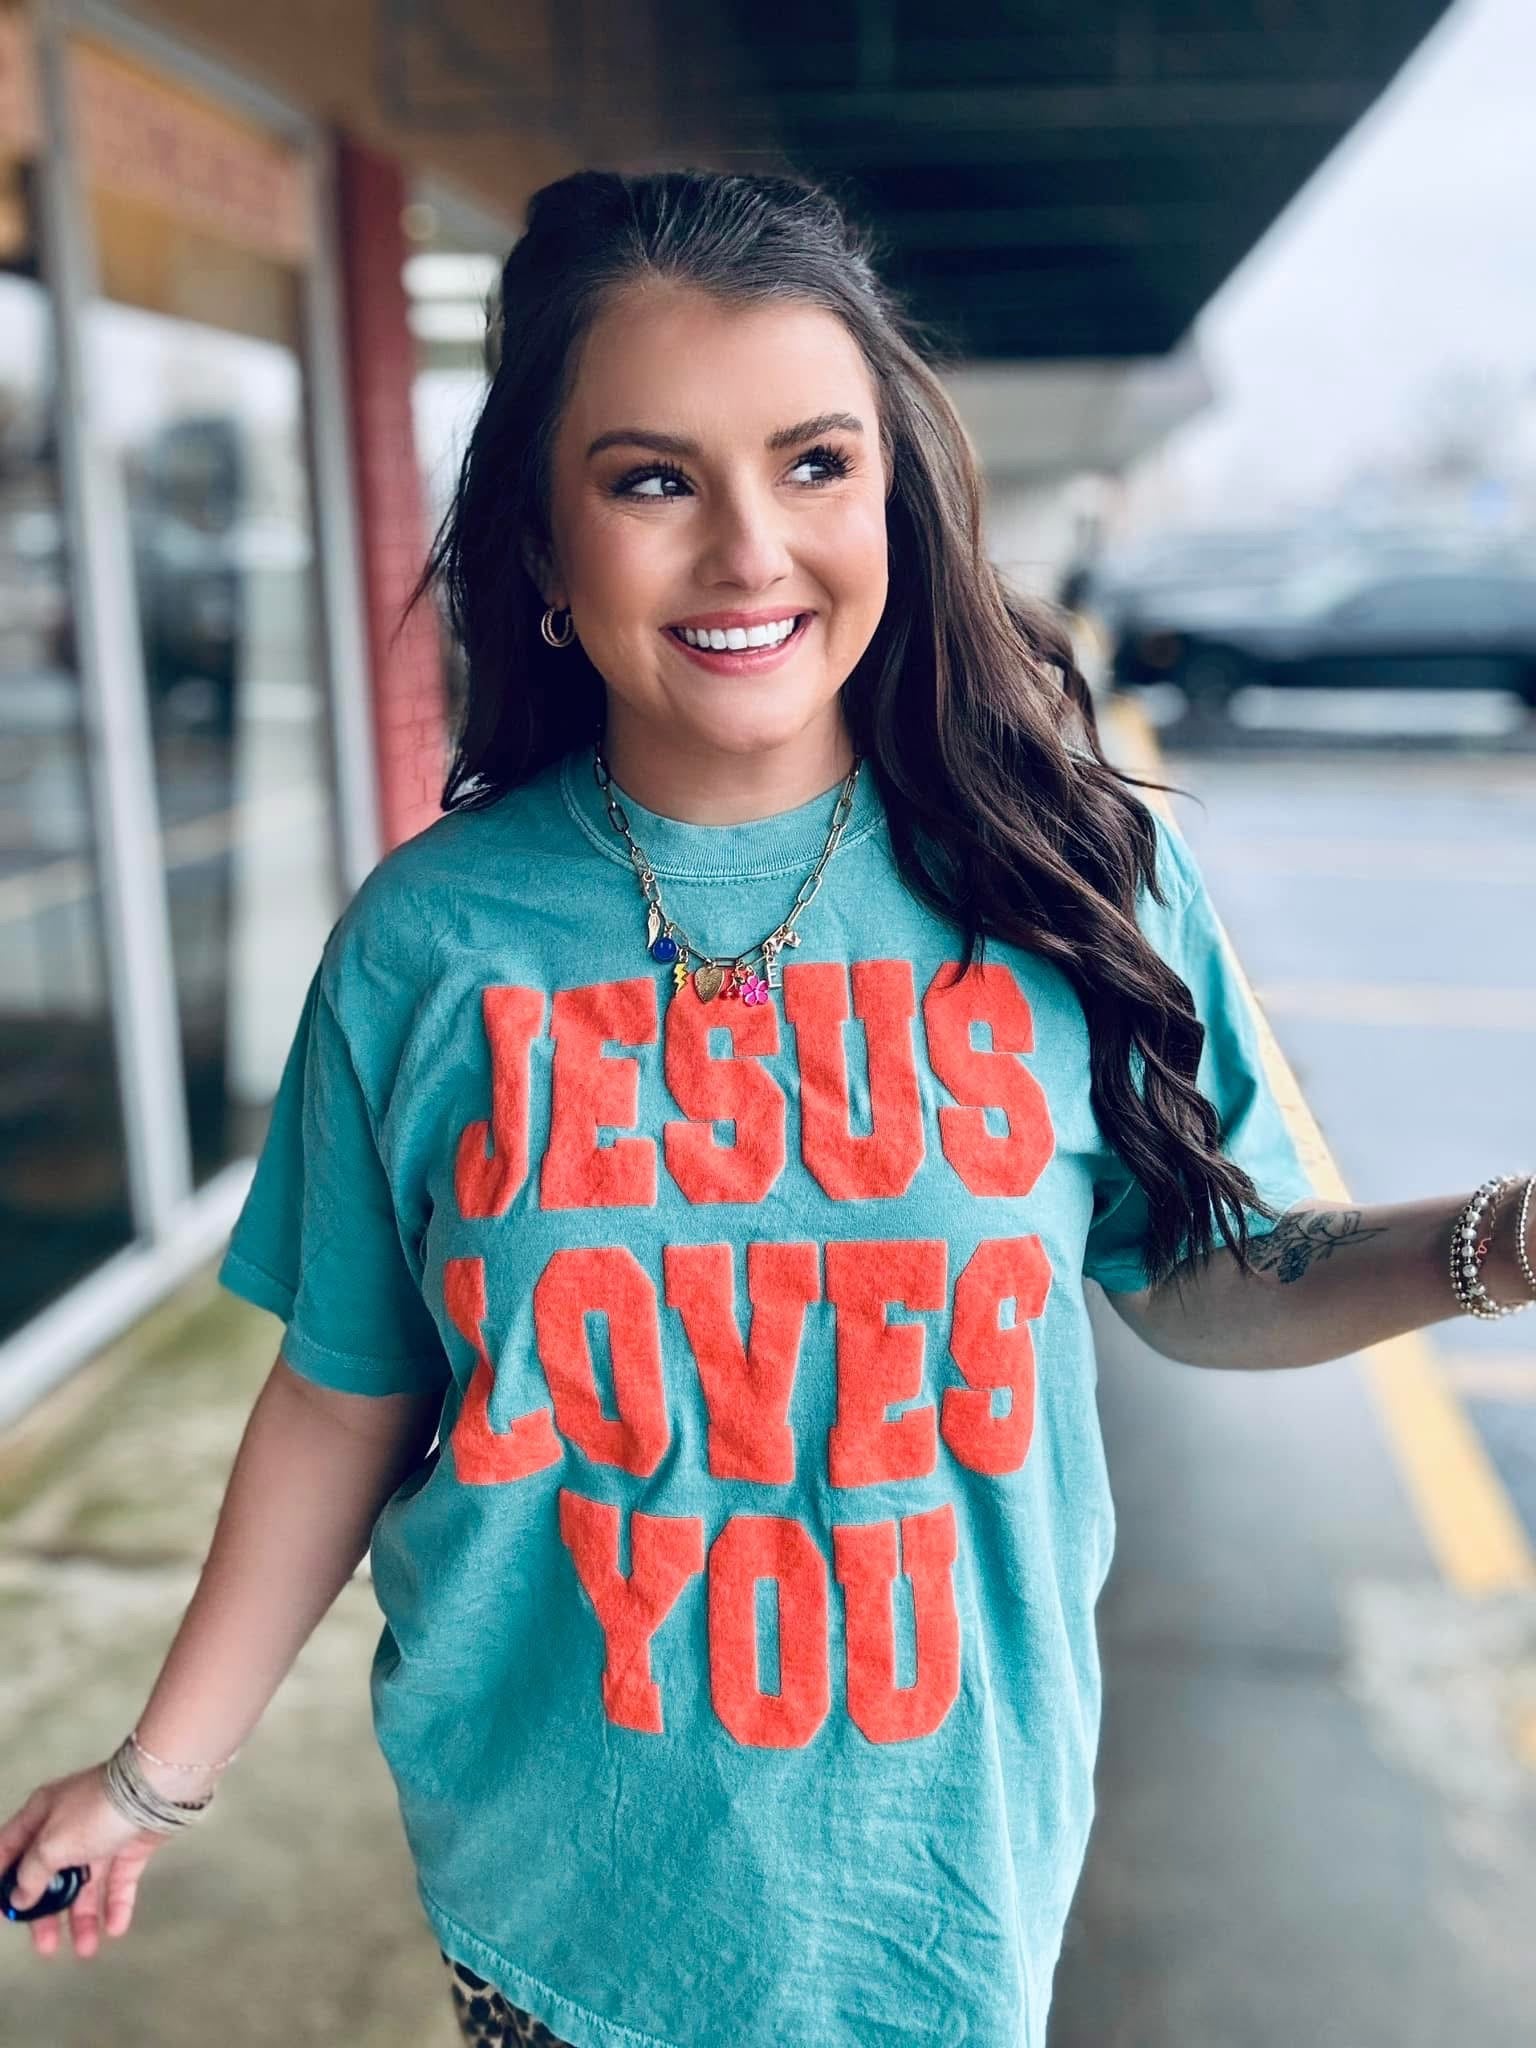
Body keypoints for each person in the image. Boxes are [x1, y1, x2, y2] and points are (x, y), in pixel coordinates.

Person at [2, 166, 1532, 2048]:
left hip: (939, 1909)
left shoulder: (1069, 881)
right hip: (557, 1924)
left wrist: (1503, 1244)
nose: (750, 551)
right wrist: (151, 1780)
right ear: (546, 547)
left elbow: (1213, 1271)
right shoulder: (431, 943)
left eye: (815, 464)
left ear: (891, 492)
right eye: (654, 480)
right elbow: (345, 1390)